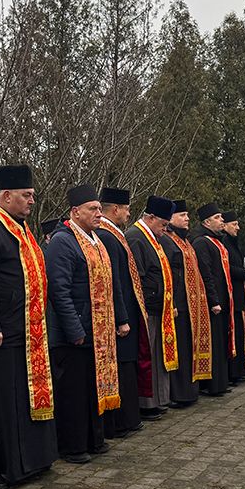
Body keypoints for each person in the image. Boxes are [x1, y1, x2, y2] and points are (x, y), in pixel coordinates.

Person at [0, 164, 58, 489]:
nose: (32, 201)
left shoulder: (21, 226)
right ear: (6, 195)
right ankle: (6, 468)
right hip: (3, 333)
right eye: (27, 195)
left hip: (30, 328)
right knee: (5, 402)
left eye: (32, 195)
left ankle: (36, 459)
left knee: (28, 395)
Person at [44, 185, 125, 464]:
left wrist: (120, 319)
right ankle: (72, 446)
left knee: (92, 389)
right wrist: (75, 330)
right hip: (73, 335)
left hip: (97, 332)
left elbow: (111, 284)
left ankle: (94, 439)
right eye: (92, 209)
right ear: (75, 212)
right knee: (73, 393)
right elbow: (59, 289)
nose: (99, 214)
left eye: (100, 209)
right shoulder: (62, 242)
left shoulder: (95, 240)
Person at [96, 187, 148, 437]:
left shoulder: (114, 234)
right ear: (115, 209)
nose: (129, 215)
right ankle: (121, 421)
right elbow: (114, 281)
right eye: (126, 209)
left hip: (126, 310)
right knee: (122, 367)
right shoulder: (106, 236)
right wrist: (122, 317)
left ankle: (129, 418)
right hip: (120, 316)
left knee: (128, 366)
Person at [125, 196, 178, 419]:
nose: (164, 230)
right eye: (163, 225)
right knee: (149, 357)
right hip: (148, 308)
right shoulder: (137, 237)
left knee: (158, 357)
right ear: (151, 217)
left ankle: (157, 399)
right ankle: (146, 402)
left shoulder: (152, 237)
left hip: (160, 307)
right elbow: (138, 276)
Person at [161, 200, 210, 407]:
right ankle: (178, 394)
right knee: (179, 350)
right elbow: (169, 274)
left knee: (189, 347)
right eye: (182, 215)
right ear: (171, 219)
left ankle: (189, 391)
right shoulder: (167, 240)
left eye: (187, 215)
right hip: (178, 305)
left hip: (191, 305)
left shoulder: (186, 241)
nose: (187, 218)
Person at [190, 203, 234, 396]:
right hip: (212, 302)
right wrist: (214, 300)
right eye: (217, 217)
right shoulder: (201, 242)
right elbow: (206, 273)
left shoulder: (217, 241)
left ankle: (221, 382)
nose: (221, 220)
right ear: (207, 222)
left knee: (221, 339)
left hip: (224, 299)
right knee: (213, 342)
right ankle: (212, 384)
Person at [220, 211, 245, 384]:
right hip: (231, 295)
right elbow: (229, 269)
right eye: (234, 224)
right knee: (234, 334)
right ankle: (233, 372)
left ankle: (239, 370)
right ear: (225, 226)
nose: (238, 228)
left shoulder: (233, 243)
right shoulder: (225, 243)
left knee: (239, 333)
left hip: (239, 295)